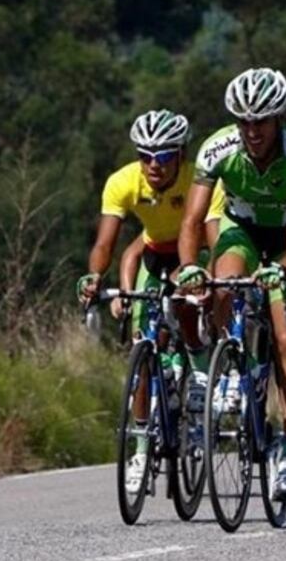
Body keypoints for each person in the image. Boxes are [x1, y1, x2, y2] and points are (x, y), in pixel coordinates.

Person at [176, 67, 286, 500]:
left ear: (279, 118)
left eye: (260, 120)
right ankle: (229, 368)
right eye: (243, 121)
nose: (251, 130)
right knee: (223, 282)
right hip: (241, 230)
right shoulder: (218, 148)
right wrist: (189, 267)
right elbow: (192, 219)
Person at [77, 109, 213, 494]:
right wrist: (94, 278)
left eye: (165, 156)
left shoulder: (197, 177)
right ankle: (139, 449)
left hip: (193, 253)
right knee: (143, 348)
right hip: (155, 255)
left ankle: (200, 367)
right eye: (146, 156)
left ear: (182, 154)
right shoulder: (122, 182)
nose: (154, 165)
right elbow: (107, 244)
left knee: (185, 305)